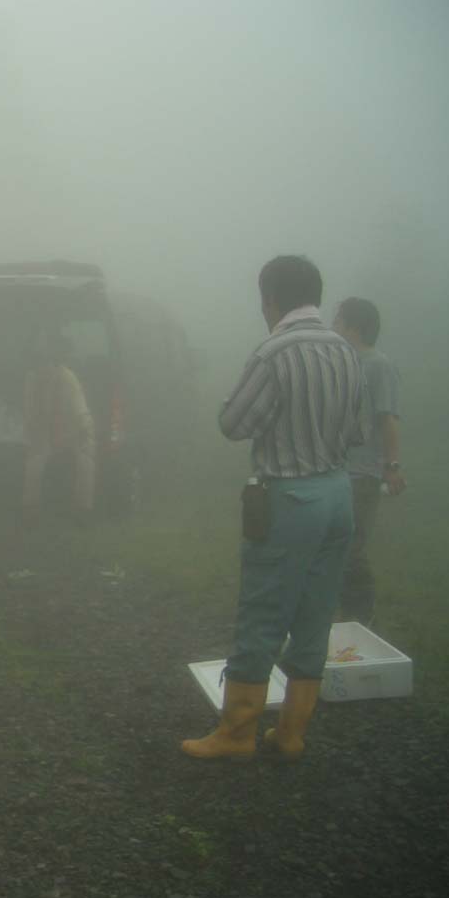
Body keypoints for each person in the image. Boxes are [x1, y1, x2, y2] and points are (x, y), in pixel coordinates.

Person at [182, 255, 362, 762]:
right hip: (338, 495)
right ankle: (291, 733)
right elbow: (356, 431)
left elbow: (234, 423)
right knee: (315, 614)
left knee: (263, 614)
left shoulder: (273, 353)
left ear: (270, 298)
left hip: (291, 497)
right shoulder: (346, 351)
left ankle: (236, 734)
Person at [333, 297, 405, 627]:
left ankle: (360, 615)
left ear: (354, 326)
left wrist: (391, 467)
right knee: (333, 542)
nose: (334, 326)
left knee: (351, 546)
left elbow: (387, 418)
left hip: (362, 474)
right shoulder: (343, 362)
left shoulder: (378, 365)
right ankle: (339, 613)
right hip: (335, 470)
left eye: (338, 321)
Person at [21, 332, 96, 524]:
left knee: (86, 460)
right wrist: (30, 432)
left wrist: (84, 428)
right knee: (33, 466)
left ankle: (83, 510)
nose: (42, 368)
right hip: (43, 434)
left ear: (53, 362)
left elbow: (80, 408)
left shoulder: (68, 378)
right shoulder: (32, 380)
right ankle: (31, 510)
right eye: (38, 363)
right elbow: (29, 412)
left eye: (45, 362)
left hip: (72, 431)